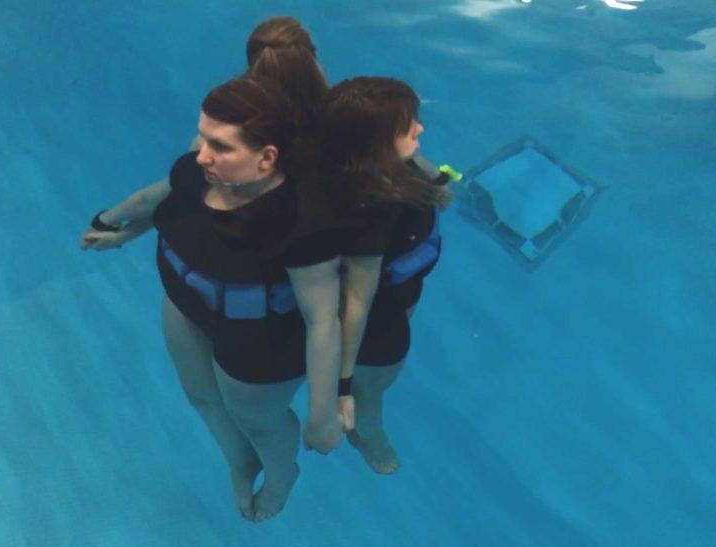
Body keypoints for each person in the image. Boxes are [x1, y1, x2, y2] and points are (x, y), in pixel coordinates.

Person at [81, 75, 345, 522]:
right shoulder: (199, 172)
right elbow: (163, 196)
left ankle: (282, 474)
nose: (201, 154)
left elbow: (323, 320)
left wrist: (322, 413)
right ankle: (239, 460)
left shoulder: (299, 226)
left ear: (266, 159)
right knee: (202, 396)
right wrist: (115, 225)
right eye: (203, 137)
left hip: (261, 343)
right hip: (188, 303)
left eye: (220, 146)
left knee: (258, 419)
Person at [319, 77, 453, 475]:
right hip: (376, 324)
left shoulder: (381, 162)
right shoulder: (370, 216)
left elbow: (423, 172)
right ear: (377, 144)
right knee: (370, 393)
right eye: (408, 125)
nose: (420, 129)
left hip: (399, 295)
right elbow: (357, 304)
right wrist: (342, 387)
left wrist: (436, 182)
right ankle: (369, 436)